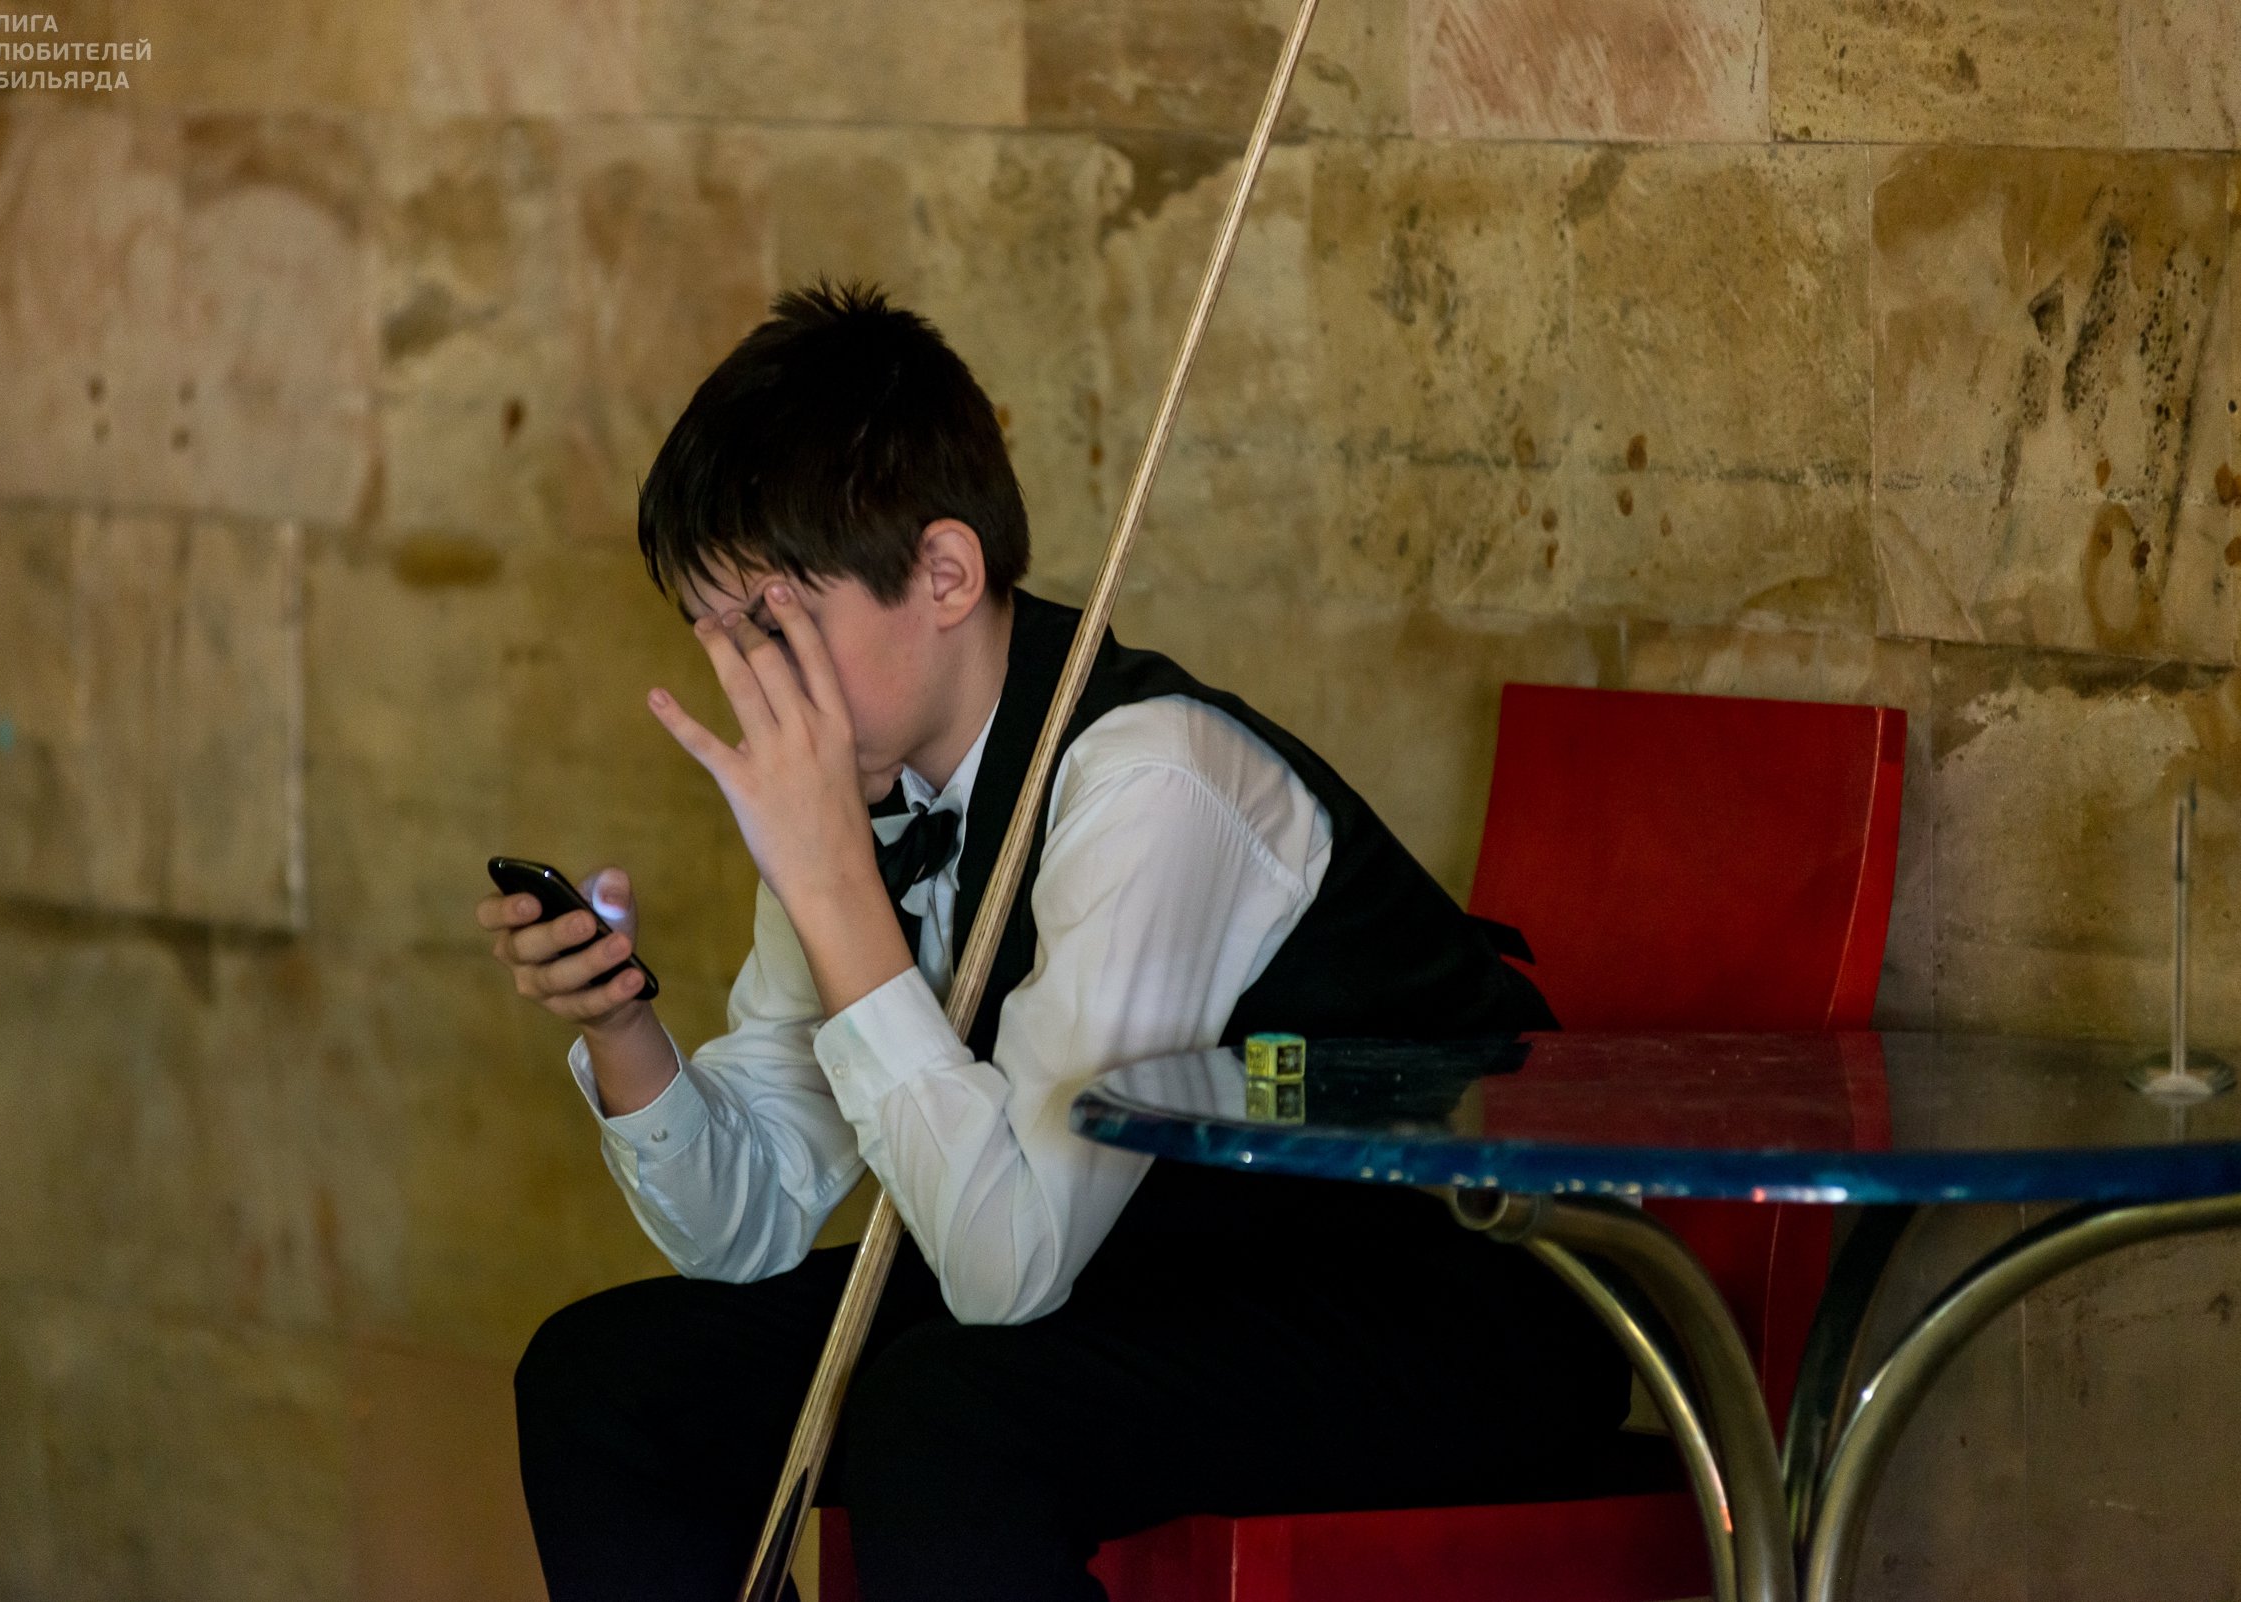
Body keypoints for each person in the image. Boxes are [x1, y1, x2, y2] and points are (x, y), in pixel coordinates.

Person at [478, 282, 1648, 1602]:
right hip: (1162, 1271)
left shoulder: (1150, 777)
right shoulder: (854, 803)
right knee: (604, 1382)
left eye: (775, 627)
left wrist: (835, 889)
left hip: (1440, 1293)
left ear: (944, 574)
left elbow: (1005, 1267)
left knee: (948, 1417)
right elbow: (744, 1225)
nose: (748, 687)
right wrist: (626, 1030)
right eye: (718, 639)